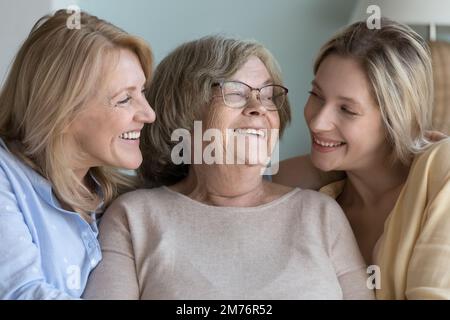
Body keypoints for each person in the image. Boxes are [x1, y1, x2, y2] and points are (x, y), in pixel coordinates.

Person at [83, 36, 374, 300]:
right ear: (184, 110)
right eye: (235, 93)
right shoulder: (133, 217)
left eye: (268, 95)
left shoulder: (320, 213)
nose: (258, 107)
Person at [273, 18, 450, 299]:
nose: (318, 122)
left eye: (347, 109)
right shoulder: (318, 201)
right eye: (316, 95)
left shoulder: (441, 174)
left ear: (396, 119)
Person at [0, 10, 155, 299]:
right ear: (62, 110)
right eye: (125, 99)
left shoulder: (110, 196)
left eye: (143, 92)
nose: (149, 114)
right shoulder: (5, 178)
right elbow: (21, 293)